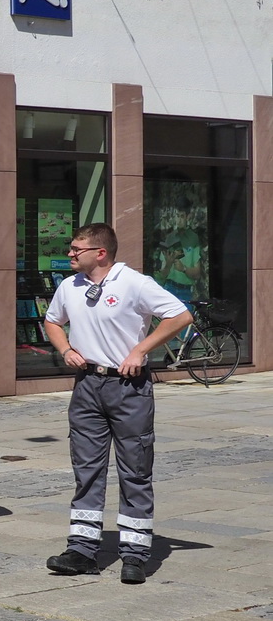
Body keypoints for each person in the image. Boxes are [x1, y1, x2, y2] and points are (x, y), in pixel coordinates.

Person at [42, 223, 191, 585]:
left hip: (128, 387)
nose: (70, 253)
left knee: (135, 469)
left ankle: (135, 554)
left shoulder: (134, 283)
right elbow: (52, 321)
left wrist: (140, 350)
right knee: (86, 469)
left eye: (76, 249)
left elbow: (181, 315)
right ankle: (81, 550)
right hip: (87, 385)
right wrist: (65, 349)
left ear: (100, 253)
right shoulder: (70, 286)